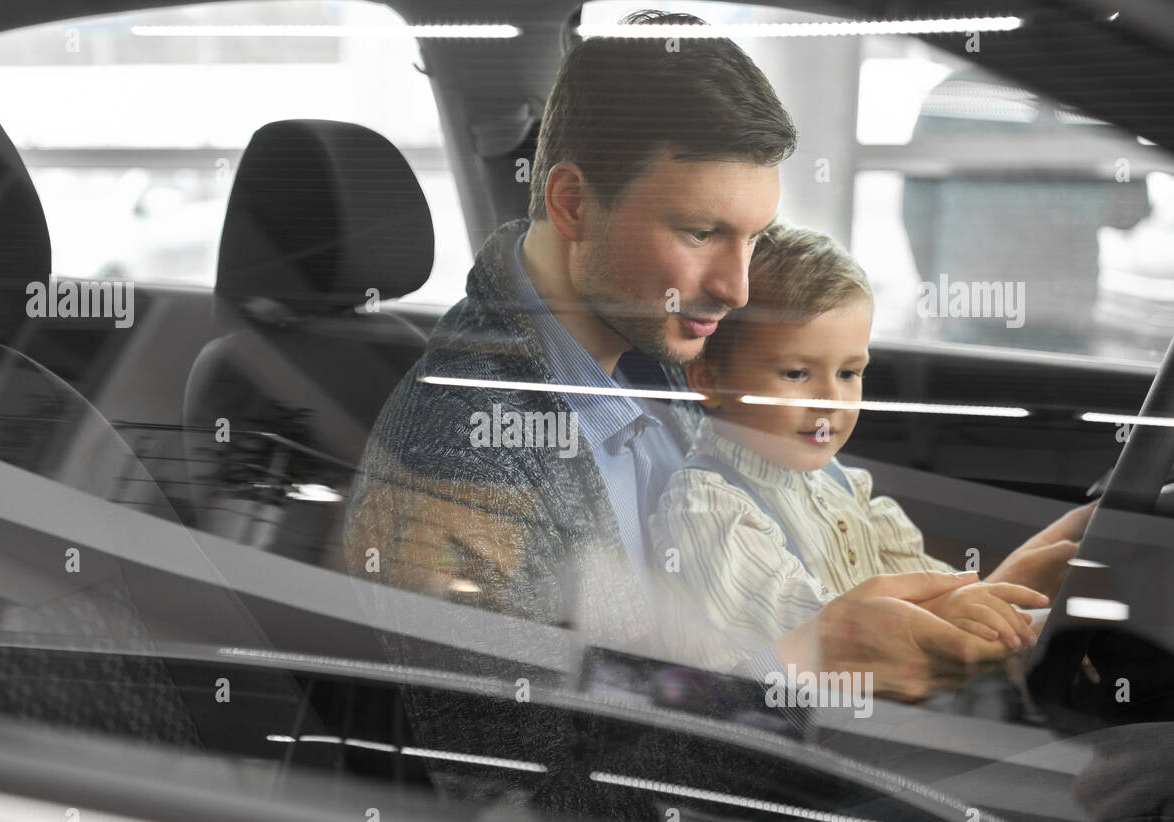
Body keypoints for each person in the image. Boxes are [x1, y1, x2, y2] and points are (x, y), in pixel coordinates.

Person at [344, 10, 1082, 706]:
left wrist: (984, 607)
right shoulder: (455, 465)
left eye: (755, 237)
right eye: (701, 232)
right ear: (572, 204)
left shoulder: (661, 343)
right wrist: (803, 662)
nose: (737, 287)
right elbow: (530, 791)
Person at [651, 223, 1092, 680]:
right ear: (707, 379)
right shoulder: (706, 509)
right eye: (797, 374)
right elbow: (817, 629)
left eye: (849, 373)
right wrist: (972, 605)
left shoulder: (840, 483)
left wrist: (1003, 605)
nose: (831, 400)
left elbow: (927, 582)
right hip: (795, 731)